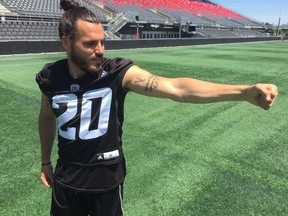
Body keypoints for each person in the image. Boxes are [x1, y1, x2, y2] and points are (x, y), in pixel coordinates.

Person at [35, 0, 278, 215]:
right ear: (66, 42)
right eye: (90, 44)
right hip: (66, 181)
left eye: (102, 42)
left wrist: (243, 92)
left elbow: (177, 89)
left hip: (106, 182)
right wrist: (46, 161)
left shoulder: (116, 72)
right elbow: (47, 116)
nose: (100, 51)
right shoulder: (50, 77)